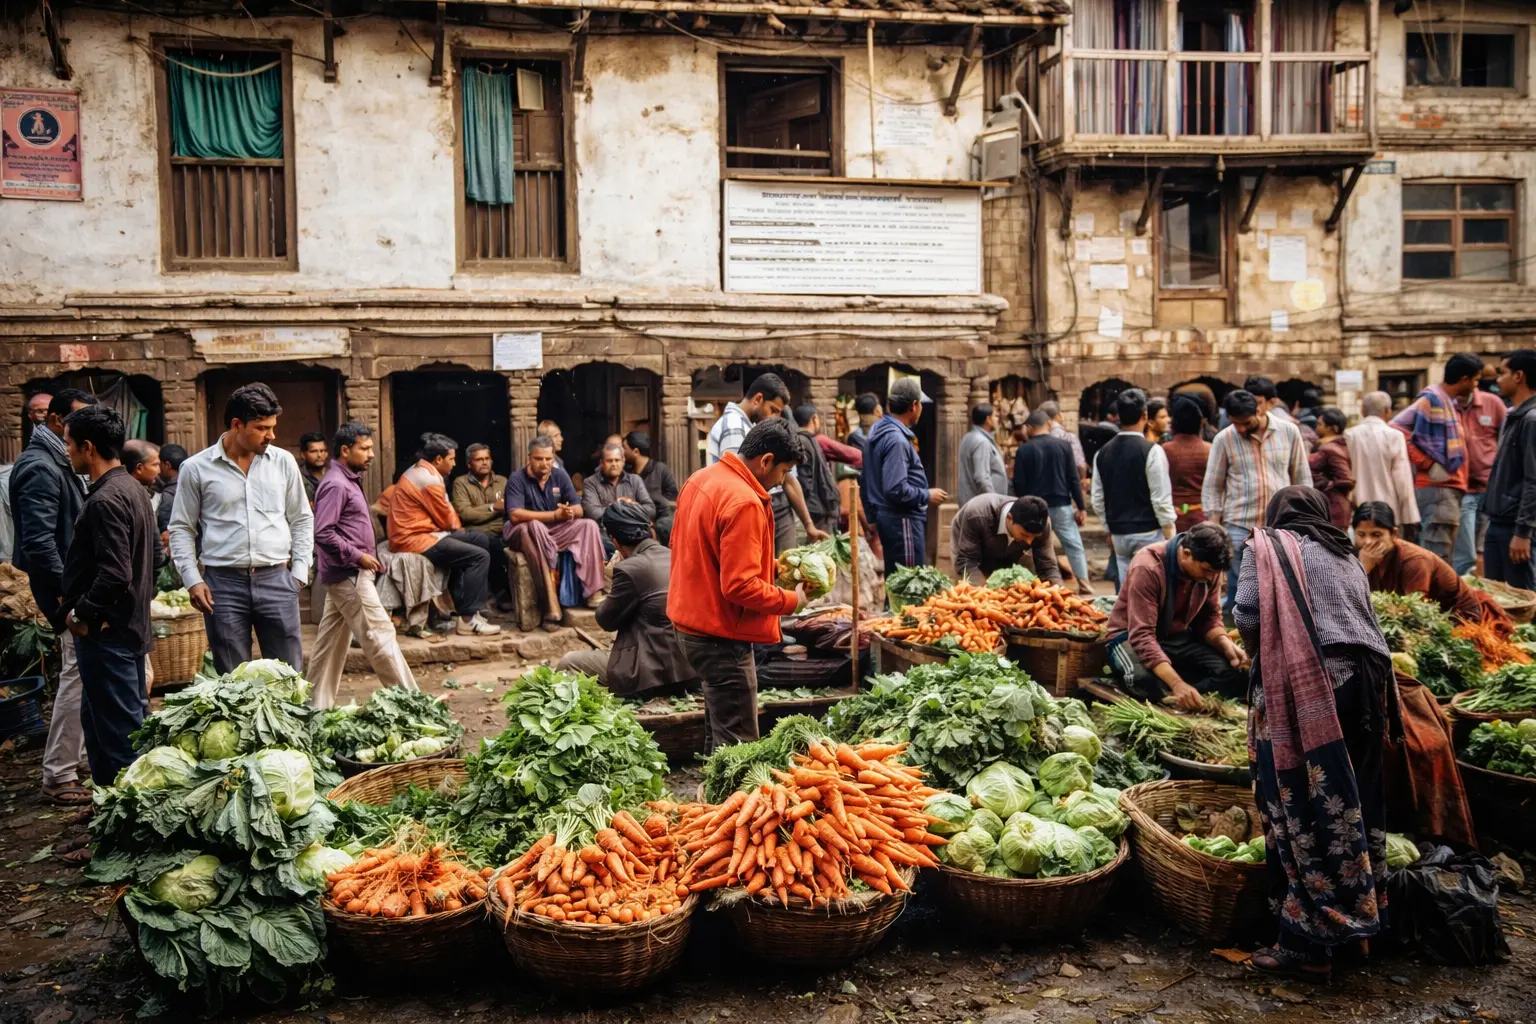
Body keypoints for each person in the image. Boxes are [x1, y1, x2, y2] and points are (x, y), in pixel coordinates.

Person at [1234, 487, 1396, 982]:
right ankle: (1359, 933)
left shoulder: (1267, 545)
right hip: (1367, 689)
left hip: (1312, 691)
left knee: (1303, 807)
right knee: (1355, 806)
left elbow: (1246, 613)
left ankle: (1306, 946)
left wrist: (1272, 655)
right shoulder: (1344, 550)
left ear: (1277, 517)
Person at [669, 417, 807, 750]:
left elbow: (701, 549)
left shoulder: (702, 477)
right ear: (766, 461)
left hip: (689, 624)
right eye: (783, 472)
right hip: (720, 634)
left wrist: (772, 567)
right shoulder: (744, 500)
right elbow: (739, 587)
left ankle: (711, 796)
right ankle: (732, 798)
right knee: (738, 741)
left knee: (720, 723)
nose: (781, 480)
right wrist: (792, 601)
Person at [170, 384, 313, 673]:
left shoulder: (283, 462)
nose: (271, 435)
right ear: (237, 425)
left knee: (288, 676)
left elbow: (301, 518)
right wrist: (192, 579)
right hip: (222, 587)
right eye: (262, 428)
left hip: (277, 580)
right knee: (233, 682)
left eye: (272, 427)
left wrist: (299, 572)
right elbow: (182, 528)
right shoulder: (196, 468)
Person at [59, 405, 156, 790]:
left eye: (69, 445)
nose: (66, 452)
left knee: (121, 742)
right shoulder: (132, 488)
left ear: (88, 447)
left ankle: (129, 839)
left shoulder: (106, 500)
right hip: (125, 631)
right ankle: (105, 820)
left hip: (108, 634)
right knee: (100, 728)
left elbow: (115, 574)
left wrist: (80, 614)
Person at [10, 389, 97, 809]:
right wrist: (69, 591)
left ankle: (76, 759)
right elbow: (39, 543)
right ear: (60, 420)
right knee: (75, 674)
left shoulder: (61, 461)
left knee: (80, 671)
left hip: (71, 586)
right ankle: (58, 773)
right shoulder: (40, 466)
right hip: (63, 590)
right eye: (82, 419)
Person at [309, 423, 417, 710]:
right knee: (380, 636)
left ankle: (312, 708)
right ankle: (413, 705)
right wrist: (359, 556)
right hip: (349, 574)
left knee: (329, 645)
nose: (371, 454)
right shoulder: (335, 483)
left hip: (347, 574)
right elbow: (323, 532)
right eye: (365, 448)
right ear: (346, 450)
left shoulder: (346, 479)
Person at [556, 503, 694, 694]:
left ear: (614, 541)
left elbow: (606, 620)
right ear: (649, 531)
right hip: (691, 668)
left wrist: (610, 578)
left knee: (569, 662)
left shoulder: (629, 569)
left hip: (654, 676)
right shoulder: (675, 556)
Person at [1105, 522, 1245, 707]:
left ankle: (1178, 688)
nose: (1211, 578)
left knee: (1235, 674)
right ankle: (1172, 684)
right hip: (1130, 636)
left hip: (1177, 638)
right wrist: (1177, 683)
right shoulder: (1148, 566)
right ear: (1186, 554)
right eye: (1206, 570)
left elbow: (1209, 618)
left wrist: (1224, 643)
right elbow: (1142, 635)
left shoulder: (1210, 569)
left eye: (1215, 573)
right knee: (1143, 682)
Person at [1203, 388, 1312, 615]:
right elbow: (1213, 485)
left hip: (1280, 525)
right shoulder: (1224, 439)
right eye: (1236, 424)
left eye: (1246, 422)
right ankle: (1239, 631)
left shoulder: (1289, 432)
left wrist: (1304, 518)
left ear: (1259, 409)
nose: (1241, 429)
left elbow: (1301, 478)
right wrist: (1215, 524)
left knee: (1280, 582)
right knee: (1239, 586)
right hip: (1238, 524)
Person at [385, 433, 501, 636]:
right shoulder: (428, 479)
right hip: (415, 539)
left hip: (425, 533)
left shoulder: (422, 470)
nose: (455, 464)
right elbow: (448, 520)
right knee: (479, 556)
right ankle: (469, 618)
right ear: (438, 459)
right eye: (452, 458)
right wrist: (457, 528)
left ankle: (460, 607)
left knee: (480, 539)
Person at [707, 374, 826, 554]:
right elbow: (737, 484)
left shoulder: (755, 427)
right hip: (750, 509)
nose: (776, 416)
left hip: (775, 507)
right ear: (758, 399)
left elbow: (788, 479)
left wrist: (809, 524)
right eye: (773, 410)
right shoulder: (734, 426)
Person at [504, 436, 607, 628]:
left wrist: (569, 512)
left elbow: (579, 509)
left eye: (548, 459)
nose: (544, 463)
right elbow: (515, 515)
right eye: (539, 459)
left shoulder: (559, 475)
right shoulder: (517, 479)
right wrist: (554, 515)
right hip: (523, 532)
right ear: (529, 458)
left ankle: (594, 591)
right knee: (533, 526)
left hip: (554, 531)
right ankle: (550, 606)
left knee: (589, 526)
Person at [1353, 502, 1509, 629]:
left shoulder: (1414, 561)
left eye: (1376, 534)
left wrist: (1362, 569)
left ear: (1394, 534)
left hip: (1455, 620)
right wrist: (1364, 567)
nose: (1368, 542)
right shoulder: (1359, 556)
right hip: (1405, 618)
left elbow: (1416, 613)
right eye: (1361, 534)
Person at [1391, 353, 1480, 560]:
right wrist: (1427, 462)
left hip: (1446, 489)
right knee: (1435, 555)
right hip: (1438, 490)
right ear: (1464, 379)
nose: (1476, 386)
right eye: (1475, 380)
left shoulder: (1447, 402)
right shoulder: (1432, 399)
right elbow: (1397, 429)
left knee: (1441, 552)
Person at [1091, 389, 1176, 589]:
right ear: (1145, 415)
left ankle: (1127, 620)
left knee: (1126, 588)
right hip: (1148, 531)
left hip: (1119, 533)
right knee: (1150, 587)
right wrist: (1169, 532)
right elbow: (1161, 499)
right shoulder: (1152, 451)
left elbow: (1097, 498)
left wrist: (1108, 526)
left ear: (1119, 416)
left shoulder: (1102, 453)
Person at [864, 378, 947, 573]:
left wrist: (872, 516)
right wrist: (927, 495)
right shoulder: (896, 440)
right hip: (903, 520)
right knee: (909, 582)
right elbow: (896, 489)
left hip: (890, 518)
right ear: (914, 406)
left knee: (897, 580)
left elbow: (866, 479)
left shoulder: (878, 431)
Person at [1011, 412, 1089, 591]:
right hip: (1062, 505)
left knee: (1031, 545)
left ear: (1030, 428)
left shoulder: (1024, 449)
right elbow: (1073, 478)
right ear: (1048, 424)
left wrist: (1022, 506)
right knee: (1074, 545)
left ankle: (1032, 585)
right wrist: (1081, 506)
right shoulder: (1064, 445)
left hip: (1034, 508)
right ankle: (1085, 584)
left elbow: (1019, 482)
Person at [1482, 350, 1536, 589]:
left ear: (1519, 376)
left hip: (1515, 527)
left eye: (1502, 372)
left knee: (1523, 600)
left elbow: (1533, 480)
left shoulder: (1531, 420)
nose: (1497, 379)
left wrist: (1523, 532)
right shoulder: (1515, 416)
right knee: (1497, 601)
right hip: (1498, 521)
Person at [1345, 391, 1420, 540]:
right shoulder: (1395, 436)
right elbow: (1402, 479)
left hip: (1358, 510)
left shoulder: (1349, 435)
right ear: (1387, 411)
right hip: (1388, 513)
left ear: (1362, 411)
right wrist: (1409, 517)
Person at [1455, 370, 1507, 575]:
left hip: (1490, 487)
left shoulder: (1492, 403)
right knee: (1465, 548)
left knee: (1487, 547)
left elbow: (1506, 438)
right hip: (1463, 488)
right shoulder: (1447, 405)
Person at [952, 494, 1062, 587]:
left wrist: (1061, 593)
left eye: (1034, 537)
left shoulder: (1043, 524)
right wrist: (982, 592)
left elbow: (1047, 567)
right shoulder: (977, 515)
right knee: (971, 589)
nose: (1029, 542)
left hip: (1010, 549)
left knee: (1018, 586)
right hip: (968, 543)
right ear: (1009, 518)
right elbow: (967, 561)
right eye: (1024, 535)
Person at [451, 443, 510, 604]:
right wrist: (494, 507)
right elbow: (465, 514)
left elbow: (510, 509)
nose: (484, 462)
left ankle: (502, 593)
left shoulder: (502, 481)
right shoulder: (460, 483)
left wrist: (480, 511)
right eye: (479, 459)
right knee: (486, 545)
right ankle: (498, 594)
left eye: (487, 458)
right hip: (477, 534)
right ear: (469, 464)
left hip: (502, 531)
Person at [583, 444, 656, 543]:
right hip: (605, 536)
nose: (614, 464)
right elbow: (593, 512)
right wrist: (625, 507)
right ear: (601, 463)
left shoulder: (635, 480)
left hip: (634, 534)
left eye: (617, 460)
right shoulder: (590, 482)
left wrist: (627, 506)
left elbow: (650, 509)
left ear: (623, 461)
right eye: (609, 461)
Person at [792, 405, 841, 537]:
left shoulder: (808, 439)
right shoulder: (803, 441)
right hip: (816, 511)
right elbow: (805, 480)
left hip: (819, 508)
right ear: (814, 418)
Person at [1163, 395, 1211, 533]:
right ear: (1199, 424)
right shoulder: (1210, 450)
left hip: (1173, 519)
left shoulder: (1165, 450)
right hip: (1203, 518)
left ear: (1174, 424)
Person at [623, 431, 679, 543]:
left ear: (636, 451)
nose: (622, 452)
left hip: (660, 520)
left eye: (624, 448)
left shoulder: (660, 469)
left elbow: (672, 499)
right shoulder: (627, 472)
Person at [1307, 408, 1354, 531]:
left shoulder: (1329, 449)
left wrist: (1325, 484)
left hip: (1333, 507)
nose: (1317, 428)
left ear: (1332, 428)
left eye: (1320, 424)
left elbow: (1346, 479)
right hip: (1333, 504)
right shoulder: (1337, 446)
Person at [1247, 376, 1318, 451]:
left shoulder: (1288, 427)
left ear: (1271, 402)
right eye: (1248, 402)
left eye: (1258, 403)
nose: (1253, 408)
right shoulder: (1237, 429)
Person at [957, 402, 1009, 506]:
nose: (998, 420)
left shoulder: (969, 437)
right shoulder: (981, 441)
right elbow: (981, 477)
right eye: (996, 416)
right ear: (988, 419)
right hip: (982, 506)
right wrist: (994, 502)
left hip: (973, 502)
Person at [155, 443, 188, 549]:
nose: (158, 469)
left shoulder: (168, 495)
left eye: (158, 464)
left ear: (167, 465)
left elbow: (166, 533)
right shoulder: (193, 484)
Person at [296, 432, 329, 507]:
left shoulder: (334, 474)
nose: (319, 455)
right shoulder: (297, 477)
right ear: (303, 455)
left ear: (326, 453)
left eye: (322, 451)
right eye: (313, 451)